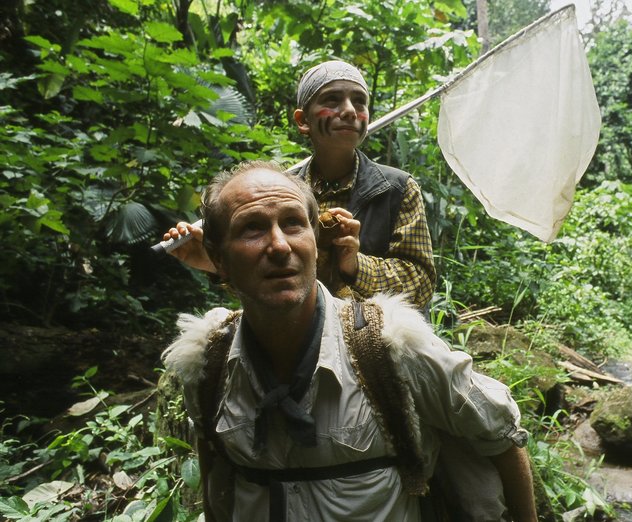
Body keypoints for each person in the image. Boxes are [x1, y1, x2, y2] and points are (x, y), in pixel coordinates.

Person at [162, 162, 538, 521]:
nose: (279, 246)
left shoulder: (390, 345)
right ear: (217, 258)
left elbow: (500, 433)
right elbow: (216, 474)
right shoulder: (208, 362)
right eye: (252, 229)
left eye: (293, 224)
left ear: (314, 240)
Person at [163, 60, 435, 309]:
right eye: (333, 100)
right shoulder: (278, 194)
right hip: (293, 342)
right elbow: (269, 287)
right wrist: (217, 263)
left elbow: (421, 285)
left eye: (359, 102)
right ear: (303, 121)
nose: (350, 111)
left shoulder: (397, 189)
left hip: (373, 341)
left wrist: (354, 264)